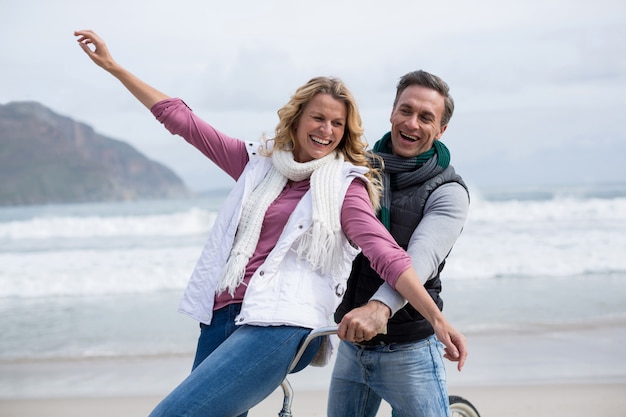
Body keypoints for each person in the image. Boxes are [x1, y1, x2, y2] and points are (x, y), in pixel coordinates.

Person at [74, 30, 467, 417]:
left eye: (337, 124)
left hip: (281, 322)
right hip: (224, 314)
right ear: (296, 119)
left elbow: (392, 256)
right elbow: (184, 122)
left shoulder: (344, 186)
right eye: (318, 118)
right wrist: (113, 67)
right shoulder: (257, 164)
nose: (325, 131)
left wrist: (437, 319)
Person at [328, 70, 470, 417]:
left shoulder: (448, 191)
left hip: (410, 349)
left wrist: (379, 309)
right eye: (405, 111)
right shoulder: (359, 170)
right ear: (392, 112)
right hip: (352, 340)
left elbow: (419, 258)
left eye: (426, 117)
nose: (412, 123)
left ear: (441, 130)